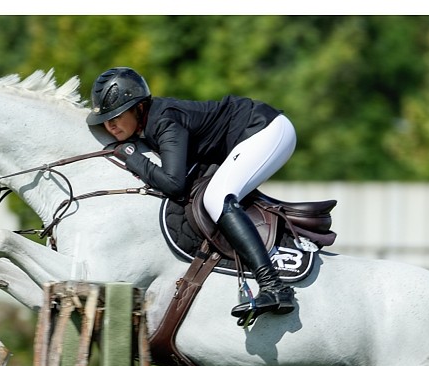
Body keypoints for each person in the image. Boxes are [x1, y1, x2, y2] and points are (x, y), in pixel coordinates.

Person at [86, 67, 297, 321]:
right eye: (105, 120)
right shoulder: (149, 123)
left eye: (117, 116)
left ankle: (274, 286)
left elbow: (175, 184)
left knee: (217, 198)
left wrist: (132, 157)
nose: (110, 125)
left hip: (267, 130)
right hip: (249, 135)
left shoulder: (164, 121)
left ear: (139, 109)